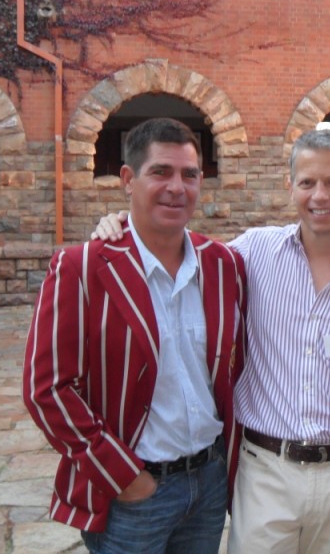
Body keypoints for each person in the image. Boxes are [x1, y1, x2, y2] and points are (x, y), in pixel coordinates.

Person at [94, 128, 330, 554]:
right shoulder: (252, 255)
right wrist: (123, 224)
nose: (319, 195)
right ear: (290, 188)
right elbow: (180, 251)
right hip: (265, 474)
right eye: (307, 182)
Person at [23, 118, 247, 554]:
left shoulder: (224, 264)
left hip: (208, 484)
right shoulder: (83, 268)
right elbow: (46, 389)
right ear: (128, 179)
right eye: (160, 172)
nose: (176, 187)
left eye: (189, 175)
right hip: (134, 493)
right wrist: (121, 476)